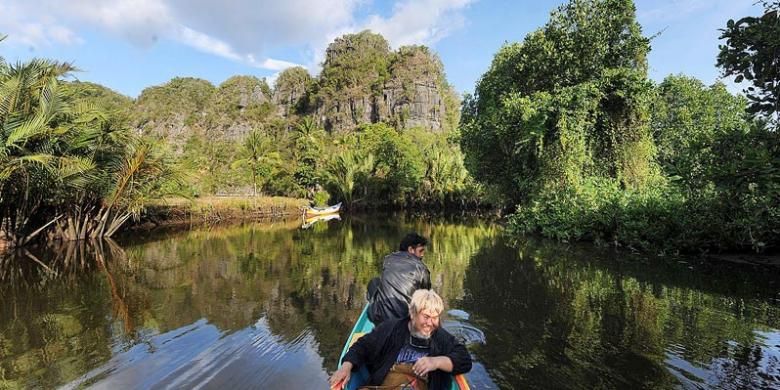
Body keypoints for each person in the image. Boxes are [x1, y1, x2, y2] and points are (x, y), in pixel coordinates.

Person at [330, 290, 472, 390]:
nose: (430, 323)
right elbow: (362, 346)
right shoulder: (391, 328)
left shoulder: (440, 337)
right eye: (426, 317)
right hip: (387, 384)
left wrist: (436, 362)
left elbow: (464, 360)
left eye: (435, 317)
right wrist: (346, 367)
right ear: (412, 314)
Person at [367, 233, 432, 324]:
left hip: (380, 318)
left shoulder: (388, 260)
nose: (422, 255)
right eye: (420, 251)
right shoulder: (422, 268)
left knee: (374, 282)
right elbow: (426, 295)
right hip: (406, 322)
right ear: (410, 250)